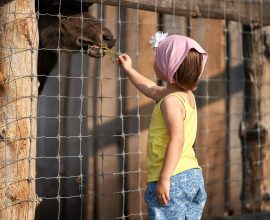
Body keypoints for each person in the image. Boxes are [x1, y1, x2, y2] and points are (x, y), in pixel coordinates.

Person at [117, 32, 208, 220]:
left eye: (159, 57)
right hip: (191, 175)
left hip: (172, 177)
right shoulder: (184, 96)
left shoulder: (170, 102)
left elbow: (177, 140)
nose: (155, 60)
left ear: (168, 66)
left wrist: (164, 179)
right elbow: (151, 89)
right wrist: (129, 70)